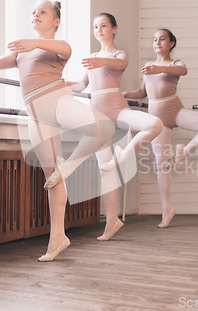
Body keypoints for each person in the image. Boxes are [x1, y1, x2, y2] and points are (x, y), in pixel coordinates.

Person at [0, 0, 115, 261]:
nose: (36, 14)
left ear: (56, 21)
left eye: (43, 12)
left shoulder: (55, 48)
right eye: (33, 12)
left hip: (57, 100)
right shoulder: (22, 52)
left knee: (105, 127)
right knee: (51, 179)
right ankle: (57, 238)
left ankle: (69, 166)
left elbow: (65, 48)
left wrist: (34, 43)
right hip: (36, 116)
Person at [68, 13, 163, 239]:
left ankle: (123, 156)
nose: (99, 29)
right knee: (105, 169)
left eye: (103, 26)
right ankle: (112, 221)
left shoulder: (119, 54)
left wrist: (103, 61)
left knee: (155, 124)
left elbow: (120, 64)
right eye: (95, 27)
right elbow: (82, 85)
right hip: (99, 117)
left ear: (114, 29)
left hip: (118, 109)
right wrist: (60, 82)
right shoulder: (92, 57)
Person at [124, 29, 198, 228]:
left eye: (162, 39)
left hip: (174, 110)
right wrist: (123, 94)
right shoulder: (148, 66)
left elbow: (182, 71)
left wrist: (159, 69)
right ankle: (166, 210)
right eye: (155, 39)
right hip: (156, 118)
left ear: (171, 43)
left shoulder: (175, 64)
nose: (158, 42)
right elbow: (143, 92)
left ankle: (183, 154)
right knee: (162, 165)